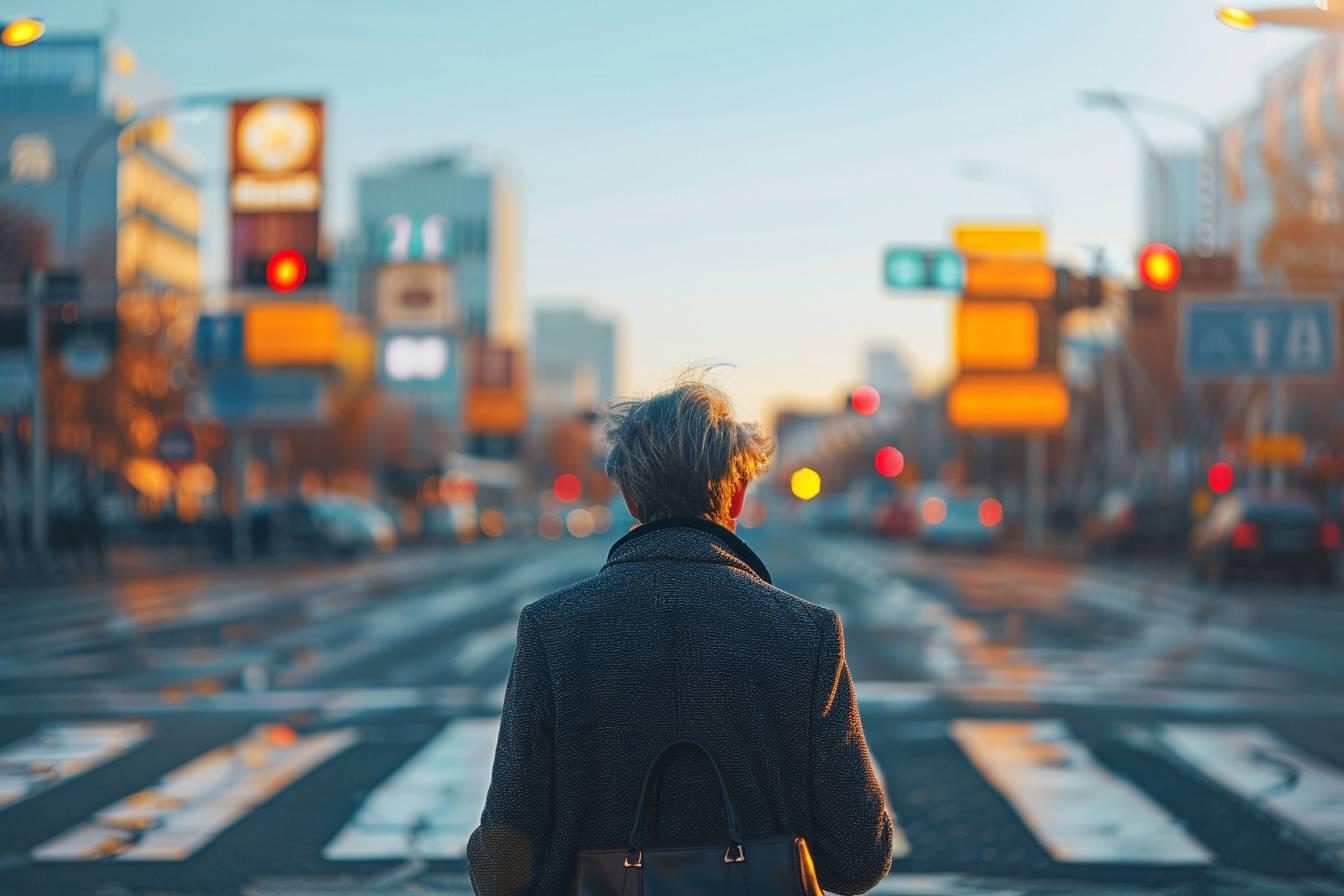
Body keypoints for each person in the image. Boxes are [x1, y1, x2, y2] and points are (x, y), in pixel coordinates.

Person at [468, 378, 895, 896]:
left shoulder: (552, 631)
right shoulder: (806, 636)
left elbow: (501, 868)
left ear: (628, 494)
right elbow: (859, 857)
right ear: (737, 493)